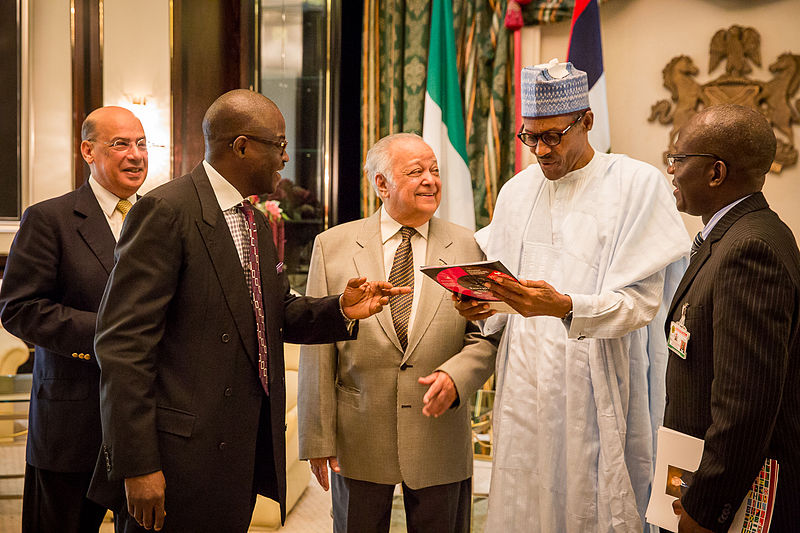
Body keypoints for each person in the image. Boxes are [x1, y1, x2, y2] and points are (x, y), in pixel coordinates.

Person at [86, 89, 408, 533]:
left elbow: (269, 313)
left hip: (236, 455)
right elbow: (122, 348)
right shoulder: (167, 211)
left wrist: (342, 309)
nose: (286, 158)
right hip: (178, 458)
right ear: (240, 146)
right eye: (278, 145)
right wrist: (137, 465)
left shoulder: (255, 220)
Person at [454, 59, 690, 532]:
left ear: (587, 121)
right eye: (529, 137)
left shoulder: (634, 185)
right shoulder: (516, 192)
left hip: (597, 380)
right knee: (524, 496)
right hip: (523, 383)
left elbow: (642, 304)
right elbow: (503, 298)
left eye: (553, 136)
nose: (539, 150)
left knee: (592, 502)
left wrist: (565, 307)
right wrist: (482, 305)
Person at [298, 133, 498, 533]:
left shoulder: (468, 244)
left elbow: (485, 333)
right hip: (359, 435)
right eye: (416, 172)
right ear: (382, 184)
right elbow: (318, 349)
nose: (430, 180)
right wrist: (317, 440)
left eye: (435, 170)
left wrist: (457, 378)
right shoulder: (332, 246)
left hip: (438, 432)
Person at [0, 106, 148, 533]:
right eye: (120, 144)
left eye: (141, 143)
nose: (135, 155)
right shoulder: (49, 219)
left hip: (144, 429)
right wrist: (112, 335)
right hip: (71, 423)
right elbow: (19, 309)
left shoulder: (160, 217)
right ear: (88, 150)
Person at [663, 104, 800, 532]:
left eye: (678, 158)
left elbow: (746, 405)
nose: (670, 170)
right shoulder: (730, 237)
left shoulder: (750, 249)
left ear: (716, 173)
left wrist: (706, 508)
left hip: (735, 502)